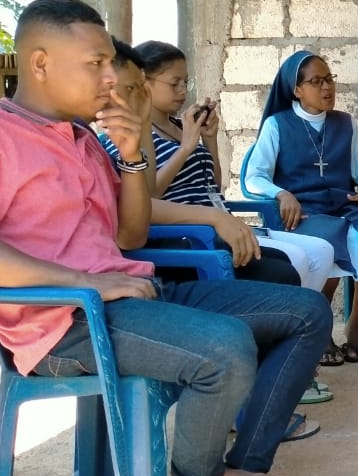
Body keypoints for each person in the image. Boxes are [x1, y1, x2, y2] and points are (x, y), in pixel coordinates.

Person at [0, 0, 333, 476]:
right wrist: (81, 281)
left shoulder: (84, 139)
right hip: (64, 325)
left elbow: (130, 233)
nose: (108, 79)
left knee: (304, 311)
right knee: (224, 348)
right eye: (94, 64)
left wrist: (127, 161)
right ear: (40, 63)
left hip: (128, 298)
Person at [106, 40, 333, 291]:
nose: (182, 90)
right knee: (290, 267)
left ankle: (299, 322)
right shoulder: (128, 136)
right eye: (174, 83)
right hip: (188, 233)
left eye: (186, 82)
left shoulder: (182, 126)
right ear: (144, 83)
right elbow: (146, 198)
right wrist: (185, 149)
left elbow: (213, 186)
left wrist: (209, 139)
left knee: (310, 256)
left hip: (217, 222)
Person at [245, 51, 358, 365]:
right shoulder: (278, 125)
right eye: (316, 81)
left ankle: (354, 325)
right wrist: (282, 193)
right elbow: (254, 176)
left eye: (329, 79)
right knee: (326, 242)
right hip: (304, 214)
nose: (327, 88)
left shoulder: (344, 123)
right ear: (296, 90)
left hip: (342, 208)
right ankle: (322, 330)